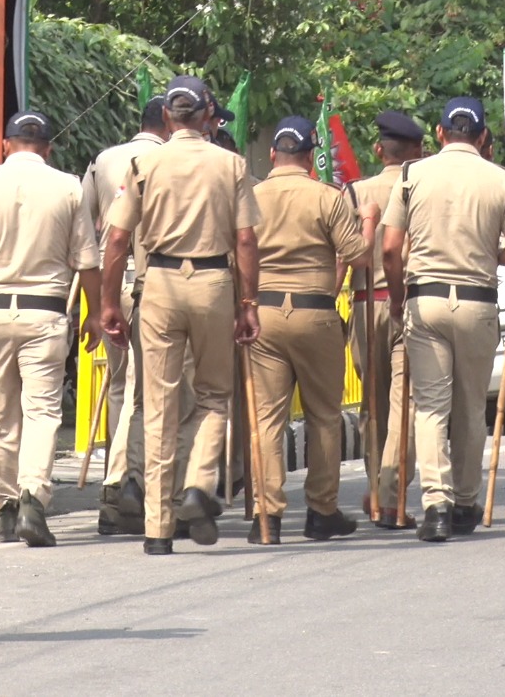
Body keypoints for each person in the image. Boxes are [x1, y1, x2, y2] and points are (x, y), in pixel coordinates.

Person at [100, 75, 262, 555]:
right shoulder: (231, 164)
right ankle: (197, 485)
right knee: (214, 395)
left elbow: (115, 239)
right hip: (214, 282)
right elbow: (247, 240)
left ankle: (157, 529)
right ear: (208, 114)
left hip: (160, 285)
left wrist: (108, 302)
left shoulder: (143, 164)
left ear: (168, 117)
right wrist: (248, 303)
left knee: (158, 403)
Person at [383, 96, 505, 543]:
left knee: (430, 405)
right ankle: (466, 501)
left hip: (424, 301)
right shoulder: (503, 181)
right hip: (477, 301)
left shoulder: (412, 175)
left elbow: (390, 248)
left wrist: (396, 299)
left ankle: (436, 505)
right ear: (484, 137)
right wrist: (488, 251)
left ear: (440, 133)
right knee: (470, 405)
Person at [0, 111, 101, 547]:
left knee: (1, 412)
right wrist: (95, 313)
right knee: (41, 411)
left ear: (6, 144)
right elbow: (87, 260)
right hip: (46, 312)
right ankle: (32, 501)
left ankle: (1, 510)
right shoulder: (69, 186)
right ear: (48, 148)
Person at [246, 116, 378, 544]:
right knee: (324, 416)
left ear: (272, 156)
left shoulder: (252, 195)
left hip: (263, 313)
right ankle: (322, 510)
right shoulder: (327, 197)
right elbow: (356, 255)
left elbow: (238, 253)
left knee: (266, 418)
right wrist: (370, 224)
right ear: (309, 156)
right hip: (315, 312)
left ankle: (267, 517)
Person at [81, 97, 197, 537]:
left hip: (117, 278)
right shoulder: (169, 160)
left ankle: (115, 490)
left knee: (118, 384)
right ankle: (141, 484)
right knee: (150, 388)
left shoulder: (104, 159)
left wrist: (98, 301)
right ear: (168, 124)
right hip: (156, 281)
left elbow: (91, 226)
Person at [348, 111, 424, 529]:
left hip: (363, 305)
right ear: (419, 150)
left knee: (372, 405)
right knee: (405, 403)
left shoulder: (355, 191)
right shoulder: (423, 186)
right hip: (409, 302)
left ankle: (377, 492)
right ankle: (393, 494)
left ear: (379, 150)